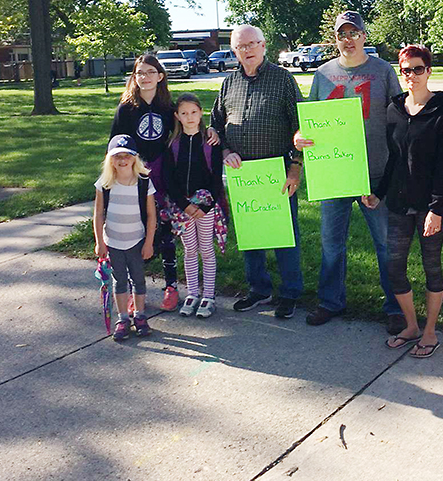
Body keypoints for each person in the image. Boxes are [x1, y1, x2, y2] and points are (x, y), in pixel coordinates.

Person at [295, 11, 405, 334]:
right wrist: (299, 139)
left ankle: (396, 306)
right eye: (342, 33)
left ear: (364, 36)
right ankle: (331, 301)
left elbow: (398, 118)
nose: (348, 39)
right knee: (331, 242)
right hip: (334, 171)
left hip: (375, 171)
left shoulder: (383, 71)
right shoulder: (323, 73)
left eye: (353, 33)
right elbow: (310, 121)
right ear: (336, 38)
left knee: (385, 243)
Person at [363, 45, 443, 357]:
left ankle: (430, 332)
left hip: (432, 203)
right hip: (400, 203)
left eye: (418, 69)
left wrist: (434, 208)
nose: (412, 75)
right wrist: (379, 192)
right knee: (394, 266)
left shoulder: (442, 107)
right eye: (406, 70)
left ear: (428, 71)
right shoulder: (394, 109)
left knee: (432, 266)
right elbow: (395, 158)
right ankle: (412, 325)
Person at [209, 25, 303, 320]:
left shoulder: (283, 79)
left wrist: (295, 168)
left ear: (264, 46)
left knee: (285, 237)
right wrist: (224, 151)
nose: (247, 51)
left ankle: (290, 293)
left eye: (252, 44)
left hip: (277, 171)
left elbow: (301, 125)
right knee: (252, 238)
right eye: (241, 46)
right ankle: (259, 290)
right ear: (234, 51)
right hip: (243, 174)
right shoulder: (228, 83)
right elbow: (215, 125)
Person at [110, 55, 179, 312]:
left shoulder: (168, 108)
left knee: (164, 230)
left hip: (162, 175)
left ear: (160, 76)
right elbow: (114, 148)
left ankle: (171, 285)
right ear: (134, 78)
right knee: (134, 232)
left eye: (151, 72)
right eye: (140, 73)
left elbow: (184, 134)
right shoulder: (126, 109)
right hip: (134, 177)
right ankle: (134, 290)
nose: (145, 77)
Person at [163, 93, 227, 319]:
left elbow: (216, 179)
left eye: (193, 112)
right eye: (184, 113)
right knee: (190, 250)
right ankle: (192, 293)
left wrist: (205, 207)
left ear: (201, 113)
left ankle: (208, 295)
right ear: (177, 117)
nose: (189, 117)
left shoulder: (210, 143)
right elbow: (168, 180)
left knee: (206, 250)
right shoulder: (172, 145)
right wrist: (184, 206)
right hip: (182, 209)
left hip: (206, 206)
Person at [93, 135, 156, 340]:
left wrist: (149, 242)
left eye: (126, 155)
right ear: (110, 159)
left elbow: (151, 215)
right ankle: (123, 318)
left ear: (134, 158)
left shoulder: (143, 183)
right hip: (113, 242)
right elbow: (98, 213)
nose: (122, 160)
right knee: (119, 281)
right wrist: (99, 242)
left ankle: (139, 316)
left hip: (136, 241)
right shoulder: (105, 184)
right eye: (117, 156)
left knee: (138, 280)